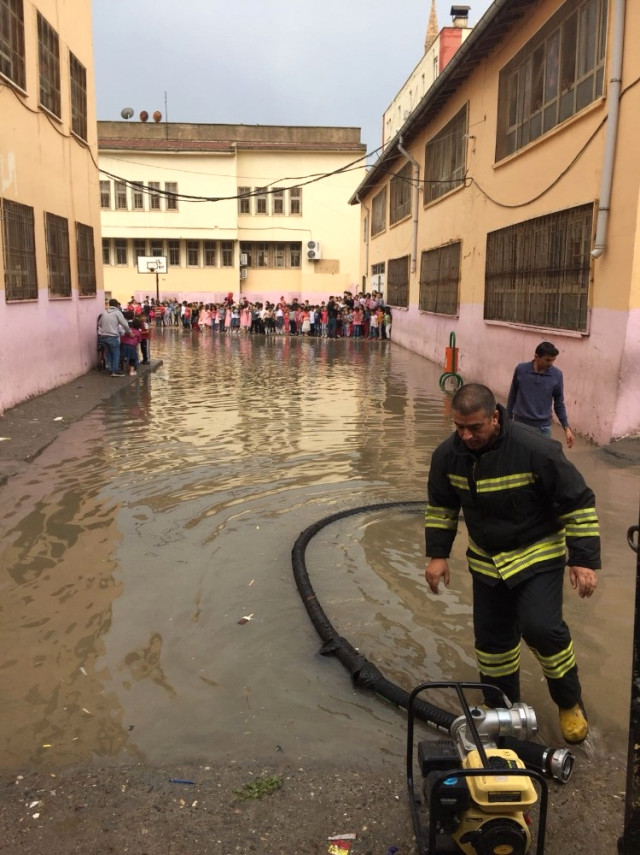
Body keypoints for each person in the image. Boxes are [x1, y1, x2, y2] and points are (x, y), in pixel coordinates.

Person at [424, 383, 600, 744]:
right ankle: (503, 711)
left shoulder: (535, 449)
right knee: (492, 644)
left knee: (542, 629)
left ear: (495, 417)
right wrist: (438, 555)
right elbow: (442, 508)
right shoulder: (447, 456)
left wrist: (582, 560)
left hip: (537, 554)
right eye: (459, 427)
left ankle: (569, 702)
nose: (466, 436)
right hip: (488, 563)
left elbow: (577, 502)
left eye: (475, 427)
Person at [507, 341, 574, 448]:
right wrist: (507, 418)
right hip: (520, 425)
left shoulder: (557, 375)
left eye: (553, 360)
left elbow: (559, 404)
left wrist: (566, 428)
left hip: (543, 428)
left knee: (540, 462)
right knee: (519, 459)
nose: (551, 363)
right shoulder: (521, 370)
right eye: (547, 360)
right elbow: (512, 395)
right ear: (536, 357)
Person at [97, 299, 130, 376]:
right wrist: (129, 332)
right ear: (117, 305)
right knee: (116, 353)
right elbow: (124, 324)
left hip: (104, 337)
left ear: (109, 304)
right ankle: (115, 371)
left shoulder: (104, 313)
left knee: (109, 353)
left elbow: (100, 324)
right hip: (113, 336)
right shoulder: (117, 313)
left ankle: (111, 369)